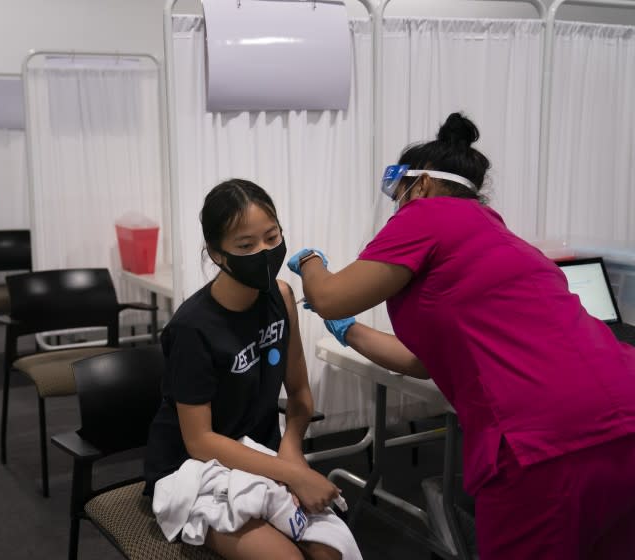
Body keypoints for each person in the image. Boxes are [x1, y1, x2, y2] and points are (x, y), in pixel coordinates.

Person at [288, 112, 635, 559]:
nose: (396, 206)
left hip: (545, 443)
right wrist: (350, 332)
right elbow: (426, 362)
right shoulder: (498, 233)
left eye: (399, 193)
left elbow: (332, 296)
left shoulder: (427, 214)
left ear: (423, 184)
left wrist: (311, 262)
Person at [143, 179, 360, 560]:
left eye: (272, 238)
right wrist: (290, 473)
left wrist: (290, 454)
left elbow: (299, 397)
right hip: (194, 469)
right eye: (246, 246)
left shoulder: (283, 296)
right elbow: (200, 442)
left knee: (331, 555)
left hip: (263, 454)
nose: (264, 252)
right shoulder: (192, 328)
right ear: (216, 254)